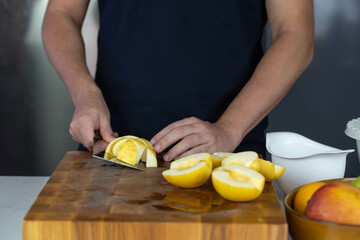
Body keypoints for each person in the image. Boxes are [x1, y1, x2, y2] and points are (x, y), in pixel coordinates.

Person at [42, 0, 314, 161]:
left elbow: (295, 33)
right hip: (112, 149)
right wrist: (84, 94)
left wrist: (229, 128)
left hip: (226, 155)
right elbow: (62, 11)